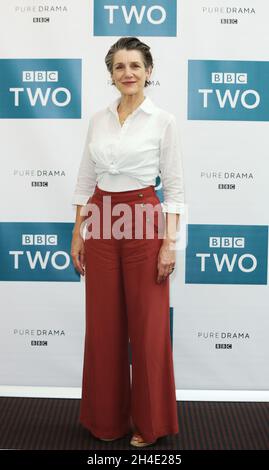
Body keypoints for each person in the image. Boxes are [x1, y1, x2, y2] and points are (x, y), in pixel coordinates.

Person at [70, 37, 185, 448]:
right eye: (119, 67)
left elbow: (174, 188)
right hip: (100, 222)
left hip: (143, 220)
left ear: (149, 71)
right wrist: (77, 233)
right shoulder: (98, 119)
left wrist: (169, 243)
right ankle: (106, 421)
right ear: (111, 75)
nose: (128, 73)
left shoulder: (163, 120)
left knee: (148, 328)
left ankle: (150, 424)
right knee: (104, 326)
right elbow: (86, 179)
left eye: (135, 65)